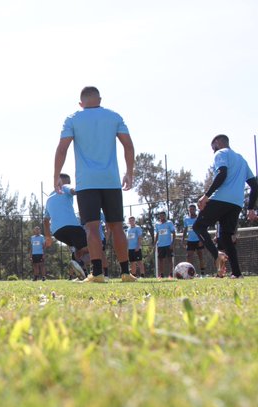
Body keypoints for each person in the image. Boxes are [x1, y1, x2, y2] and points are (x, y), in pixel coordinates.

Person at [53, 86, 137, 283]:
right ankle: (126, 273)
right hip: (111, 180)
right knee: (116, 226)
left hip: (86, 182)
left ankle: (97, 273)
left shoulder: (73, 118)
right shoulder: (114, 116)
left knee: (91, 227)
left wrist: (56, 174)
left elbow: (62, 148)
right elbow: (129, 146)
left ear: (81, 103)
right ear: (100, 99)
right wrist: (129, 173)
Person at [193, 134, 258, 278]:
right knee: (226, 237)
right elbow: (254, 185)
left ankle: (217, 254)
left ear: (217, 143)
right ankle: (236, 273)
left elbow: (222, 174)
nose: (213, 151)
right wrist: (251, 208)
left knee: (198, 226)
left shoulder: (220, 153)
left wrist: (206, 195)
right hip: (236, 203)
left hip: (221, 198)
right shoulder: (241, 159)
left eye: (213, 147)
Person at [43, 173, 89, 280]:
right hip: (71, 226)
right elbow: (73, 190)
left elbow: (45, 220)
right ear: (63, 182)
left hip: (57, 232)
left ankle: (81, 273)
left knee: (77, 248)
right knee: (95, 245)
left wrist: (48, 237)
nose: (69, 183)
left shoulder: (49, 198)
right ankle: (80, 264)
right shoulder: (64, 187)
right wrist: (82, 191)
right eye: (69, 181)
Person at [182, 204, 206, 276]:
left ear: (195, 210)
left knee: (200, 256)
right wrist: (183, 239)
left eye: (193, 209)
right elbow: (185, 229)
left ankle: (202, 273)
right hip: (190, 241)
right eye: (190, 209)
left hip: (198, 240)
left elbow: (202, 229)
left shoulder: (199, 218)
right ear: (188, 210)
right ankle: (190, 273)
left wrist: (201, 240)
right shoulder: (186, 219)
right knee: (189, 256)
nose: (191, 210)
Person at [154, 212, 176, 278]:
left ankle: (171, 274)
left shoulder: (169, 223)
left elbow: (174, 233)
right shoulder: (157, 224)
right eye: (160, 216)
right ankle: (161, 274)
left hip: (168, 244)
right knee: (160, 260)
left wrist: (172, 243)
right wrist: (155, 243)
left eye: (163, 215)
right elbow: (157, 234)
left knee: (169, 259)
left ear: (165, 216)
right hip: (160, 245)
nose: (162, 217)